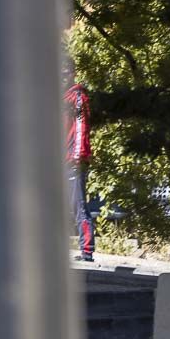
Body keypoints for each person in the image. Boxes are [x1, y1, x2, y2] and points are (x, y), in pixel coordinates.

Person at [66, 80, 95, 261]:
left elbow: (81, 127)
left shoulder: (77, 97)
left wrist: (77, 156)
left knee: (78, 206)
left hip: (74, 160)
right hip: (61, 159)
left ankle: (87, 251)